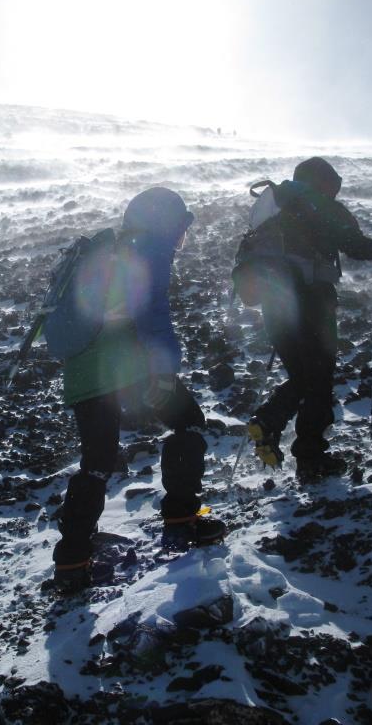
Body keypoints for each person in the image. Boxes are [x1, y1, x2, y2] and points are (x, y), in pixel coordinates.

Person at [52, 187, 225, 593]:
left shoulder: (106, 251)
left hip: (82, 372)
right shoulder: (149, 249)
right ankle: (182, 520)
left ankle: (72, 563)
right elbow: (151, 315)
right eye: (181, 228)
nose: (182, 239)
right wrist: (165, 370)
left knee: (96, 461)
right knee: (188, 423)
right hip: (129, 367)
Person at [245, 157, 372, 481]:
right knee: (319, 379)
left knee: (303, 376)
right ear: (323, 183)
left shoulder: (275, 208)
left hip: (274, 306)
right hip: (312, 304)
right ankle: (310, 459)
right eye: (332, 186)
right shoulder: (321, 206)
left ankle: (270, 422)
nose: (334, 193)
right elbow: (354, 244)